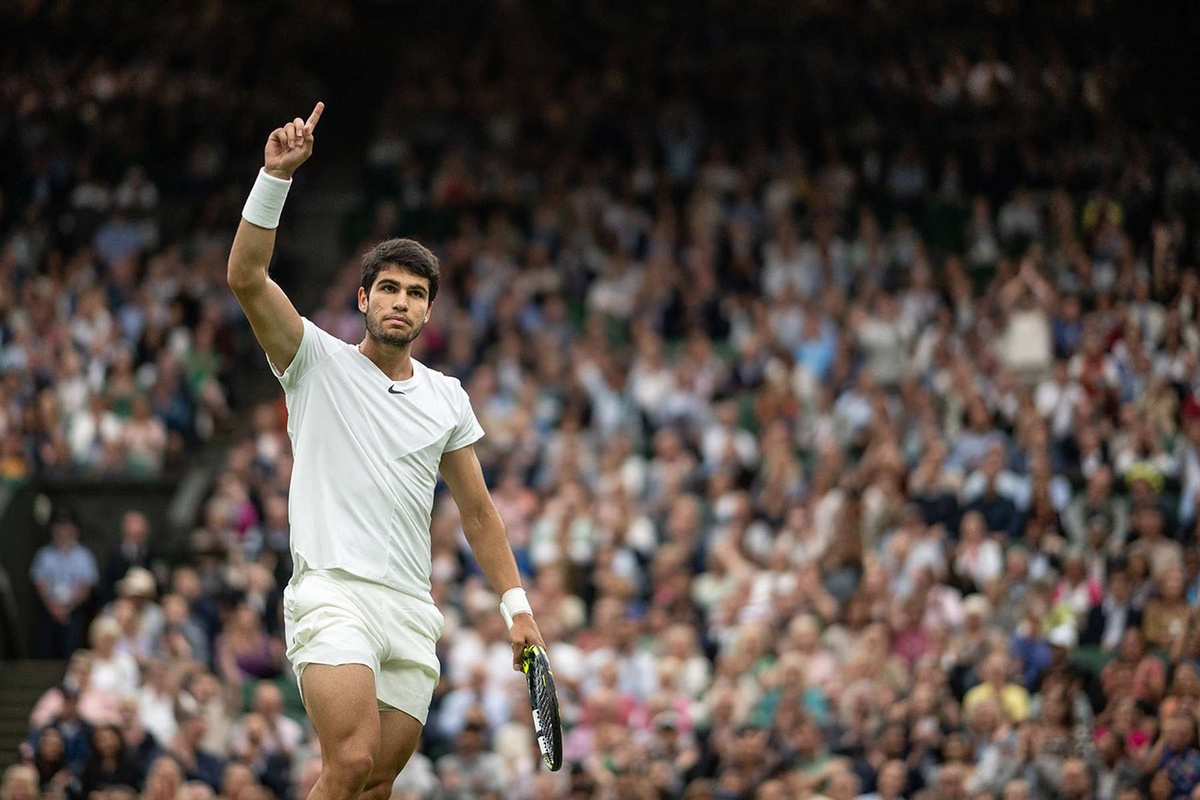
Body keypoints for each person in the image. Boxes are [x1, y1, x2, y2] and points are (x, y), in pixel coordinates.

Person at [225, 102, 545, 800]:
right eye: (389, 289)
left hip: (409, 607)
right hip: (331, 591)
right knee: (348, 761)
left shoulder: (447, 397)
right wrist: (274, 177)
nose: (401, 301)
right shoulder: (313, 360)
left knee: (374, 783)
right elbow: (247, 278)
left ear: (429, 312)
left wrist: (515, 607)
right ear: (364, 299)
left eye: (416, 294)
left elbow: (481, 515)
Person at [30, 511, 99, 658]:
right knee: (45, 644)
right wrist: (53, 607)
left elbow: (86, 585)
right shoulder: (44, 554)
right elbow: (39, 582)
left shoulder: (84, 556)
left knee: (72, 642)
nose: (62, 532)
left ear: (75, 531)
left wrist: (68, 607)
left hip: (74, 609)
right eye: (59, 528)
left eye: (66, 528)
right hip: (49, 607)